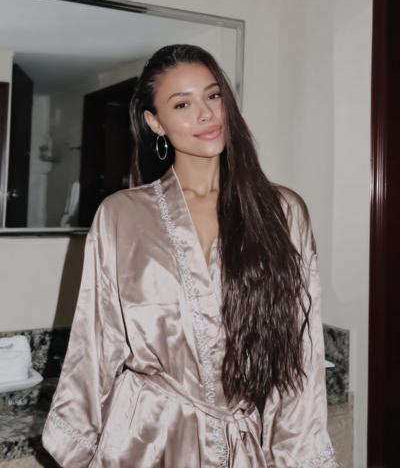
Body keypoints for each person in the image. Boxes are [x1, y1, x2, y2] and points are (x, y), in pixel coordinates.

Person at [41, 44, 338, 467]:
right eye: (182, 104)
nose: (206, 114)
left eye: (213, 96)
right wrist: (77, 446)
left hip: (240, 446)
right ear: (154, 122)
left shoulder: (282, 212)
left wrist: (297, 455)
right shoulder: (122, 215)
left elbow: (300, 356)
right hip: (143, 442)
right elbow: (95, 344)